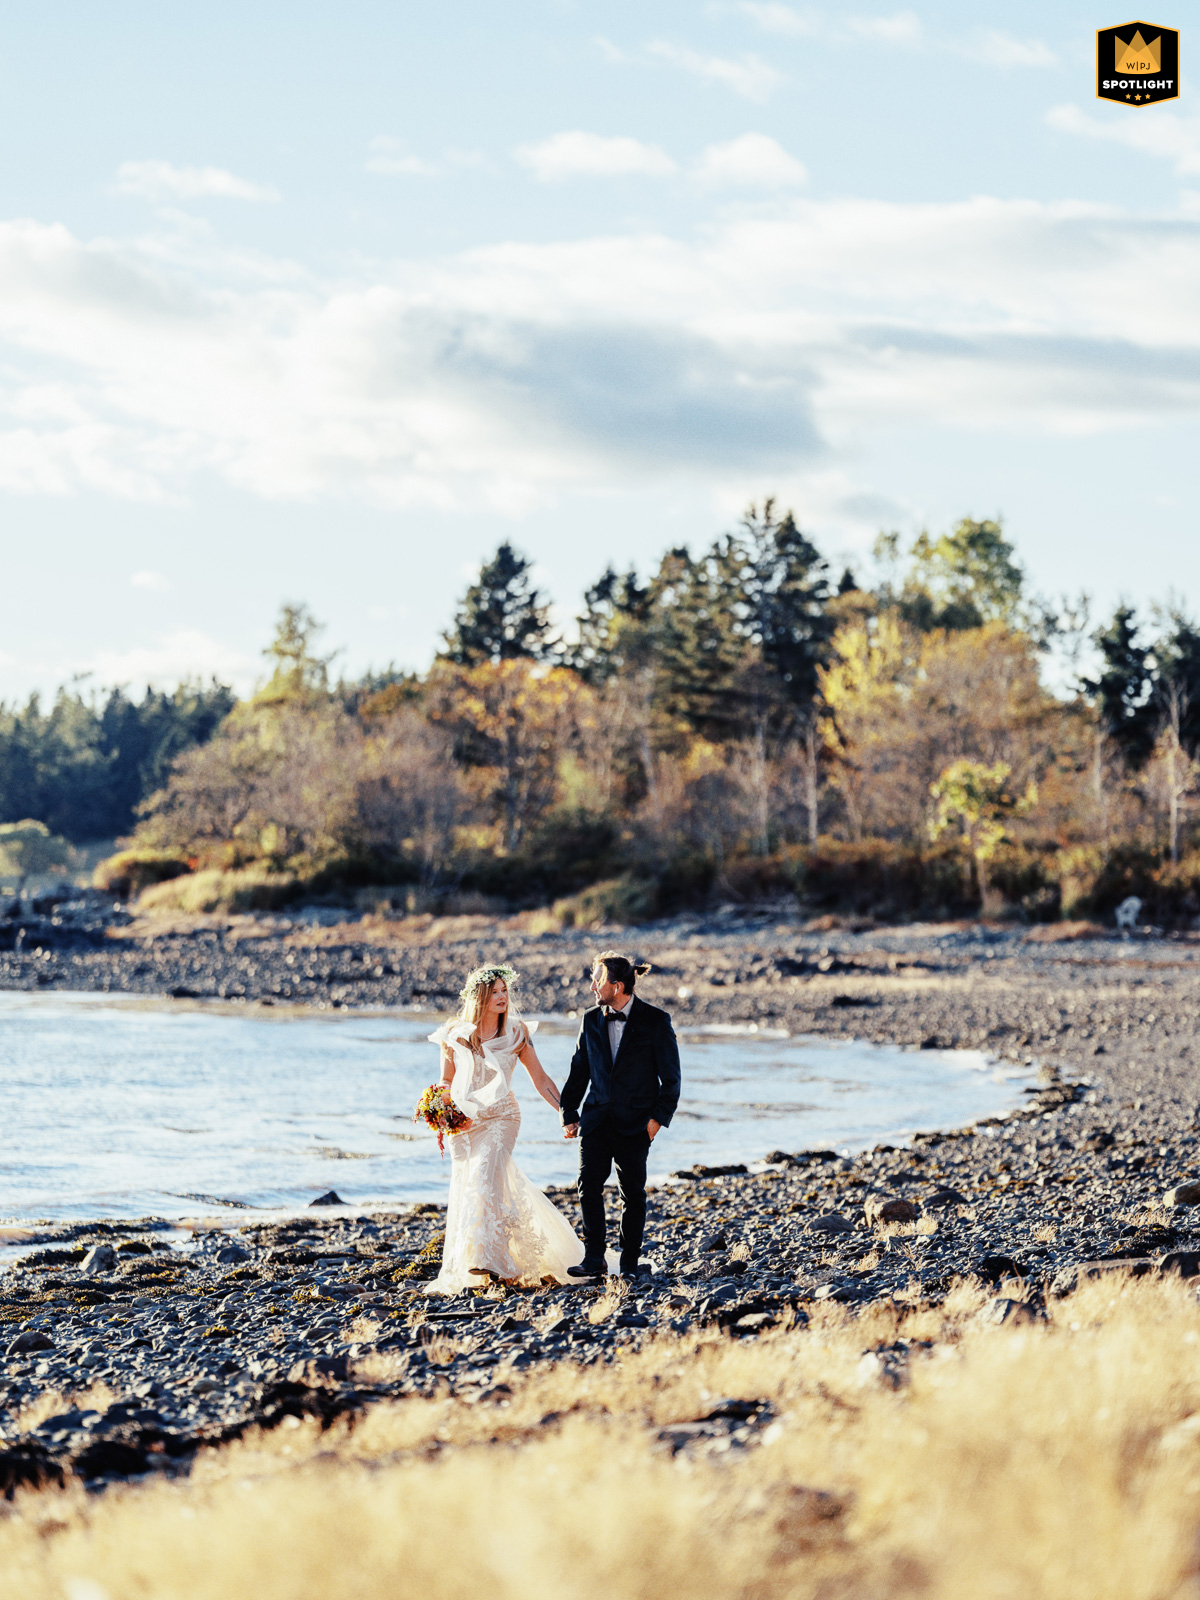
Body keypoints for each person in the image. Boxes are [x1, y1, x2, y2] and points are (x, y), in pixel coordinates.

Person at [425, 964, 584, 1293]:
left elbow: (540, 1079)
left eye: (504, 990)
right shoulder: (455, 1033)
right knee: (474, 1188)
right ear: (479, 997)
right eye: (494, 992)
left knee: (484, 1177)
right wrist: (439, 1106)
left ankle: (492, 1261)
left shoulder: (517, 1032)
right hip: (466, 1124)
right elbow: (446, 1080)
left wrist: (566, 1113)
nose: (502, 997)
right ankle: (489, 1260)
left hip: (502, 1118)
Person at [560, 950, 681, 1280]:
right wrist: (568, 1111)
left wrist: (657, 1120)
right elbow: (579, 1069)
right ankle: (594, 1257)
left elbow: (671, 1078)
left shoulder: (656, 1021)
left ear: (616, 985)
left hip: (637, 1124)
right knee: (588, 1187)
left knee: (633, 1194)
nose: (592, 987)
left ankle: (628, 1263)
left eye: (597, 980)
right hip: (596, 1119)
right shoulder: (590, 1019)